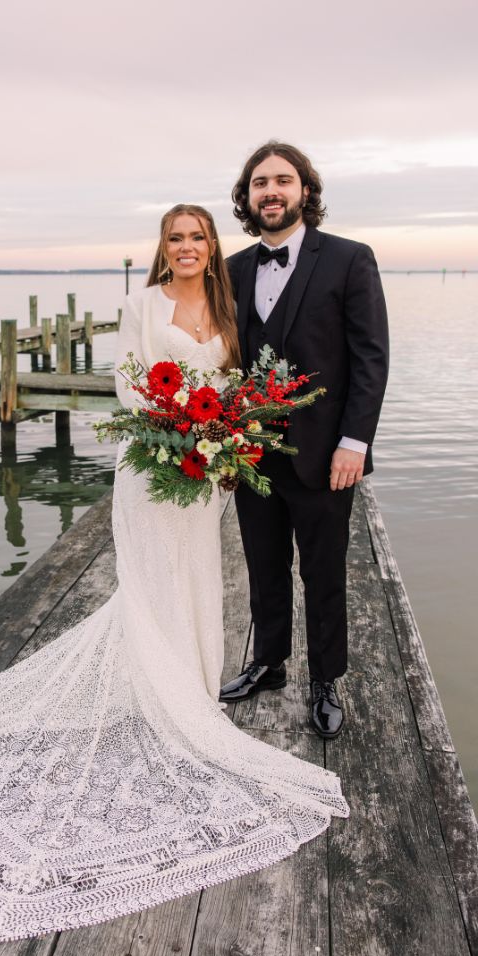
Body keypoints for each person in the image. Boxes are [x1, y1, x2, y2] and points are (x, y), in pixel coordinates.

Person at [0, 204, 348, 944]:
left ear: (211, 247)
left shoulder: (229, 306)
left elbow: (236, 382)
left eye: (196, 236)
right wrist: (176, 426)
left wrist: (221, 435)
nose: (184, 247)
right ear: (163, 248)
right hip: (151, 465)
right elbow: (127, 381)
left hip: (205, 474)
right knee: (150, 582)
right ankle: (162, 696)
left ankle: (190, 692)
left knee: (196, 577)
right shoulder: (141, 304)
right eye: (174, 237)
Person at [220, 142, 390, 738]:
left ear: (305, 191)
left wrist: (355, 442)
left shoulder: (349, 259)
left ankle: (325, 679)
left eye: (282, 180)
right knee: (264, 565)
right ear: (246, 197)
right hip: (250, 451)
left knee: (324, 570)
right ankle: (267, 662)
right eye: (259, 182)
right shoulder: (233, 269)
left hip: (324, 453)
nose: (271, 191)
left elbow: (371, 358)